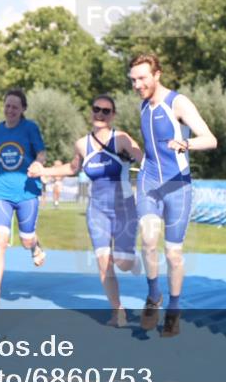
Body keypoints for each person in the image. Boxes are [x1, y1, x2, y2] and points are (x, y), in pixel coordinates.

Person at [29, 95, 143, 327]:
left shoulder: (121, 139)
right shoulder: (82, 144)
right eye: (96, 110)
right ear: (91, 112)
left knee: (122, 262)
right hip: (97, 210)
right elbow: (72, 168)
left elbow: (146, 160)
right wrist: (43, 171)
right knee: (103, 262)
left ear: (113, 115)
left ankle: (132, 261)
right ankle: (117, 310)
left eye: (106, 111)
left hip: (124, 209)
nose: (100, 114)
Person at [130, 54, 217, 337]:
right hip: (149, 181)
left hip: (178, 185)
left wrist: (187, 143)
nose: (138, 84)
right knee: (147, 240)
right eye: (133, 80)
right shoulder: (144, 106)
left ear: (157, 74)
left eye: (143, 78)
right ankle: (154, 295)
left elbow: (210, 139)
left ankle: (174, 309)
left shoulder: (177, 103)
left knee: (173, 253)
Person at [0, 89, 47, 309]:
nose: (10, 110)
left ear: (23, 109)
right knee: (0, 241)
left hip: (27, 191)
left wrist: (39, 163)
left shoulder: (30, 128)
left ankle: (35, 245)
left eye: (15, 107)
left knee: (25, 240)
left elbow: (41, 153)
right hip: (1, 192)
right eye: (7, 106)